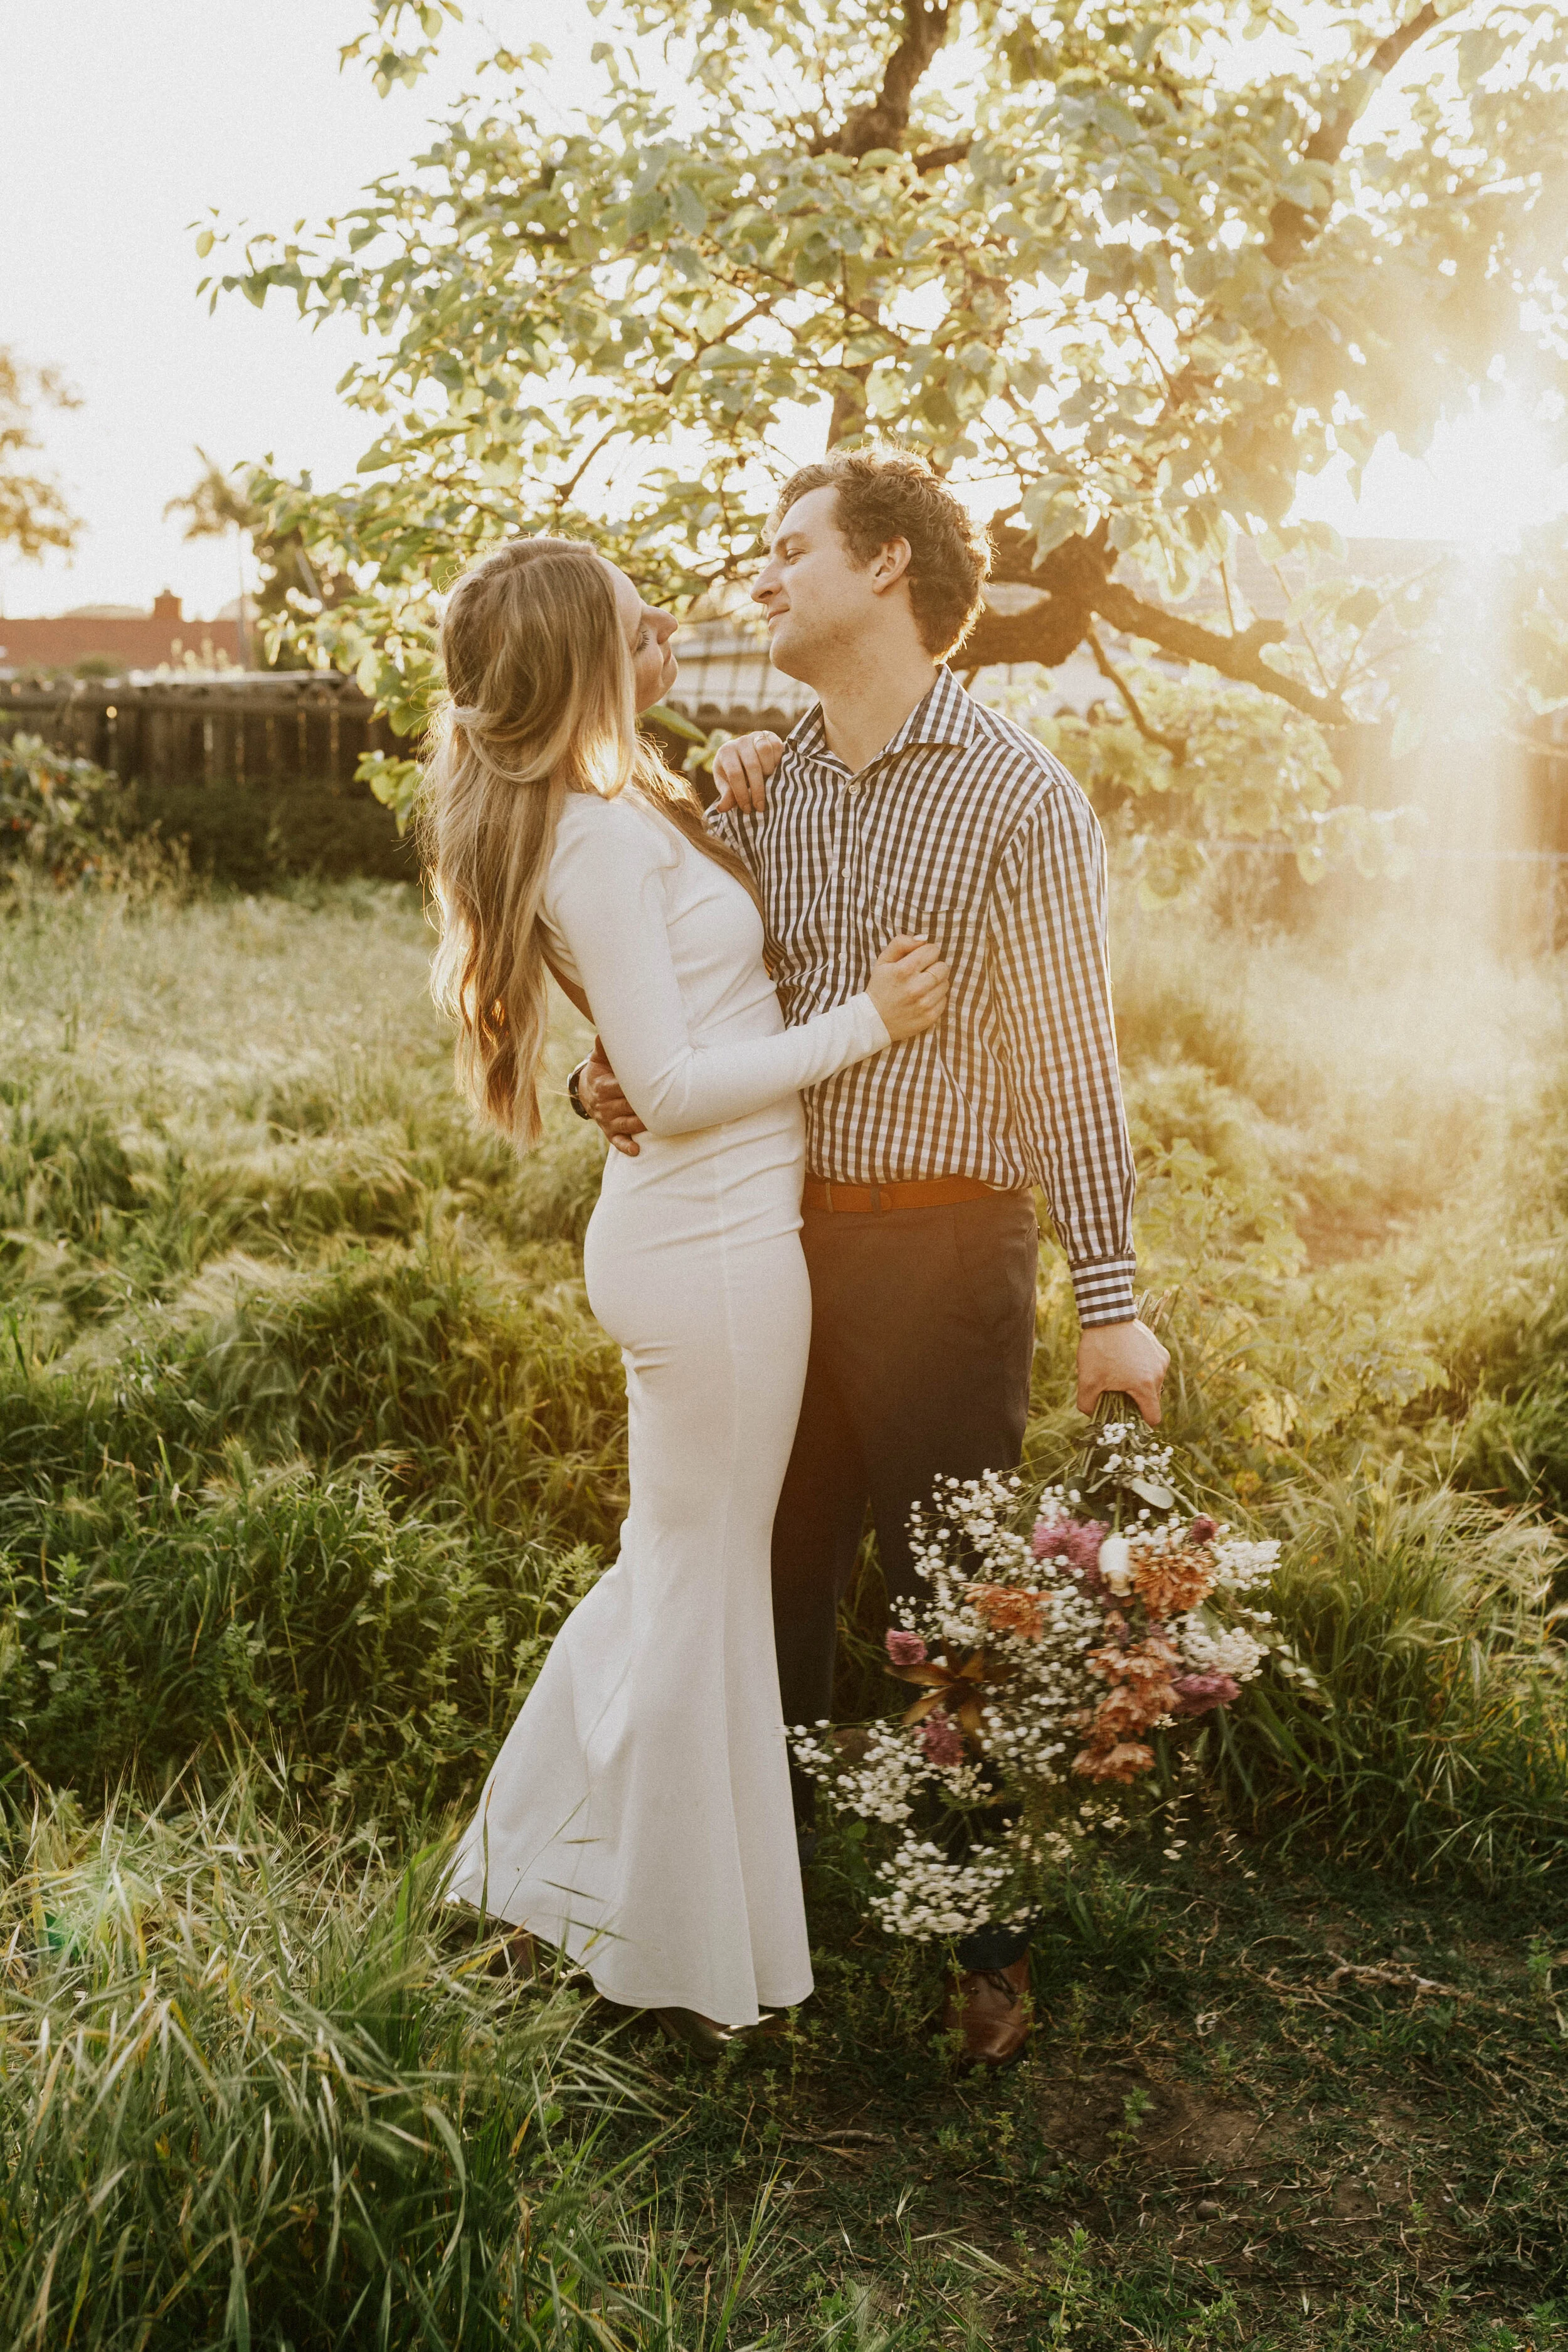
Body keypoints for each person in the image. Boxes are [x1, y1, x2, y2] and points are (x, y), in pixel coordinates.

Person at [573, 448, 1169, 2067]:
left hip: (937, 1256)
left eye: (787, 552)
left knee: (948, 1613)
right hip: (761, 1246)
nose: (758, 580)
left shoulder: (1016, 795)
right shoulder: (759, 787)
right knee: (760, 1596)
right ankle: (727, 1938)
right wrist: (598, 1077)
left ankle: (984, 1955)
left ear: (885, 566)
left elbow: (1067, 1059)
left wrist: (1110, 1305)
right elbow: (673, 1007)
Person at [430, 535, 950, 2061]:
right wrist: (869, 1019)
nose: (664, 621)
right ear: (582, 655)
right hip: (711, 1243)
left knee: (675, 1574)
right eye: (629, 615)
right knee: (701, 1586)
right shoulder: (589, 838)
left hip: (698, 1235)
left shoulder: (611, 806)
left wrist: (730, 802)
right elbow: (662, 1078)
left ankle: (541, 1878)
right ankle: (664, 1947)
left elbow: (673, 1005)